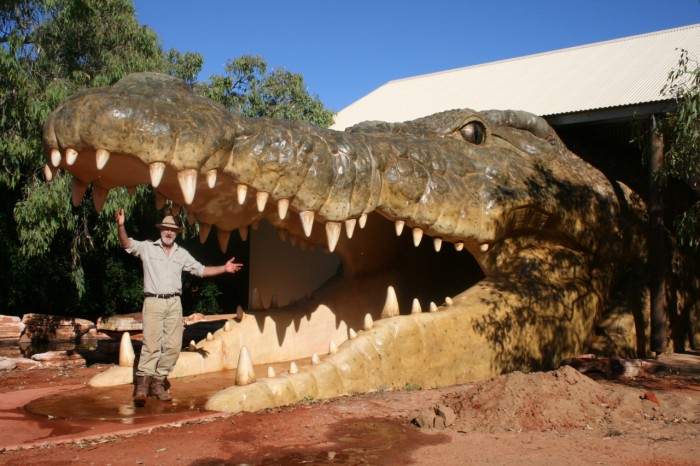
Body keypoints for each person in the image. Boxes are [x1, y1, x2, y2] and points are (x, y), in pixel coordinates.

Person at [115, 208, 243, 407]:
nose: (168, 232)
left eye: (172, 230)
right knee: (151, 345)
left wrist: (224, 269)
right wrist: (121, 225)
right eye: (166, 229)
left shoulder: (181, 254)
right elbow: (126, 244)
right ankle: (142, 387)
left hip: (174, 303)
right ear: (161, 231)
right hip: (153, 301)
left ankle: (158, 383)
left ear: (177, 233)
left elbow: (201, 270)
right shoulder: (148, 248)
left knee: (174, 347)